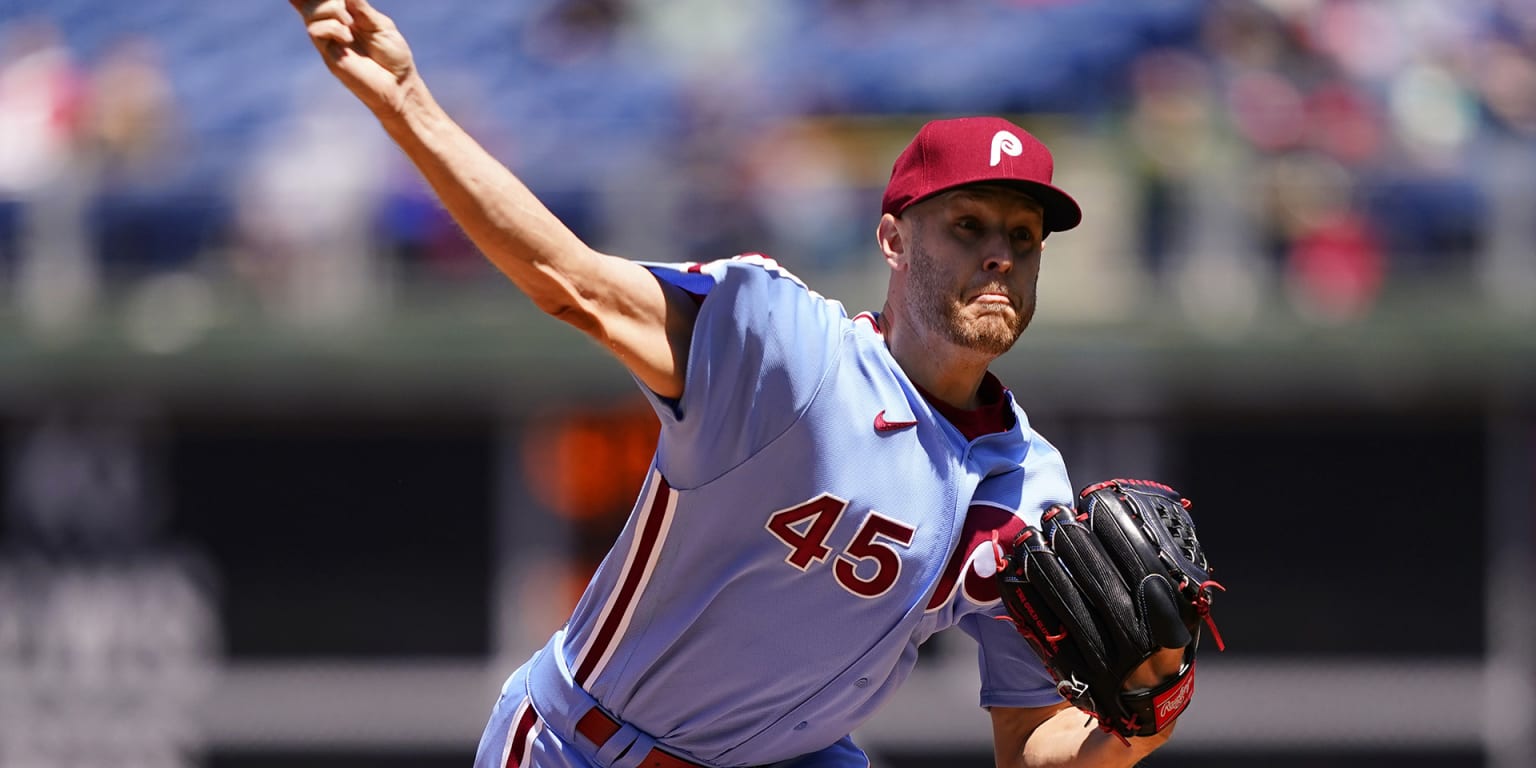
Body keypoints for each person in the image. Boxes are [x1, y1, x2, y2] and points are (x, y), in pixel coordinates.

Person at [289, 1, 1190, 766]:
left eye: (1024, 236)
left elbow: (1030, 738)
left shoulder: (1028, 485)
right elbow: (571, 283)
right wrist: (409, 102)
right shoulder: (786, 348)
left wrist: (1139, 721)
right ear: (893, 241)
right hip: (590, 745)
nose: (1000, 251)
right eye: (967, 222)